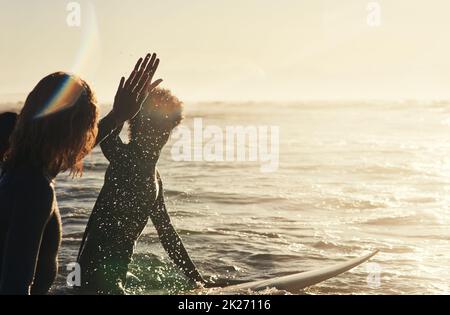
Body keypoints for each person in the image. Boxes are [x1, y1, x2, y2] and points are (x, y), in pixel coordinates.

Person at [0, 53, 162, 295]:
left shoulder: (20, 171)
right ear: (72, 129)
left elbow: (67, 157)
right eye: (89, 125)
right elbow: (14, 286)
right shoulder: (35, 190)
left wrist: (118, 115)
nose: (88, 136)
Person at [77, 88, 205, 294]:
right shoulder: (124, 159)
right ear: (138, 126)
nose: (160, 134)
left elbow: (167, 235)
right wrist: (119, 112)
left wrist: (199, 282)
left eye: (166, 126)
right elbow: (102, 138)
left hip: (115, 276)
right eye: (153, 126)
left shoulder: (154, 177)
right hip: (94, 276)